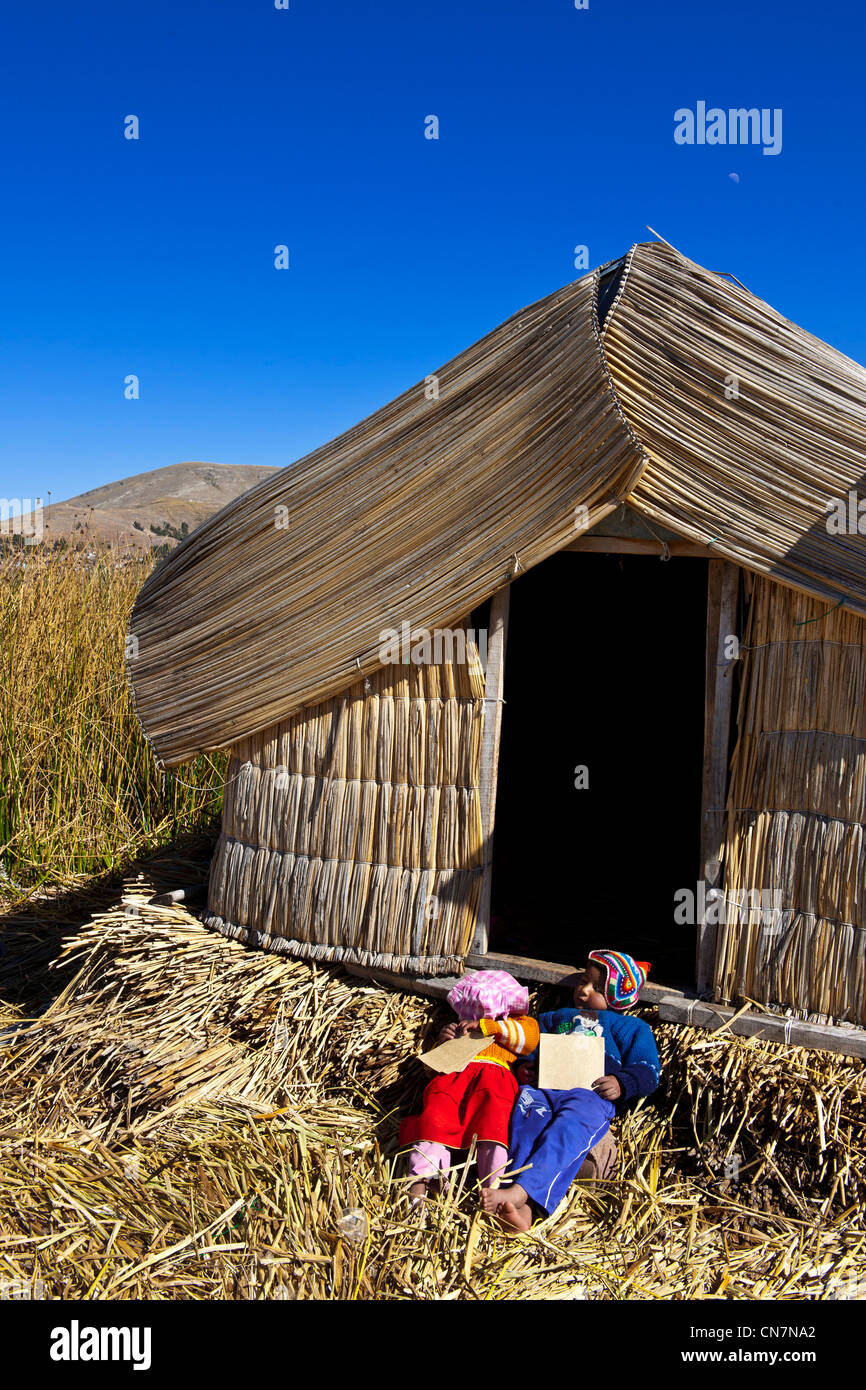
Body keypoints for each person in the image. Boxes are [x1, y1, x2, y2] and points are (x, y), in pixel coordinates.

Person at [481, 949, 660, 1231]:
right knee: (524, 1121)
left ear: (617, 997)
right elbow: (530, 1043)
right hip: (544, 1087)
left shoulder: (629, 1026)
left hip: (589, 1094)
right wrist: (525, 1067)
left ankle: (519, 1192)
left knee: (568, 1131)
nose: (584, 990)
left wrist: (622, 1083)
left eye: (597, 988)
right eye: (583, 982)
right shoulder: (556, 1017)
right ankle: (522, 1211)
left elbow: (648, 1070)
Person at [400, 970, 540, 1201]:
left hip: (494, 1081)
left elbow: (529, 1040)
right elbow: (432, 1068)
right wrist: (444, 1042)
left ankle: (493, 1189)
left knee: (493, 1126)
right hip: (454, 1078)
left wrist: (488, 1027)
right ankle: (419, 1184)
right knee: (434, 1119)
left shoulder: (516, 1024)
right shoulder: (459, 1027)